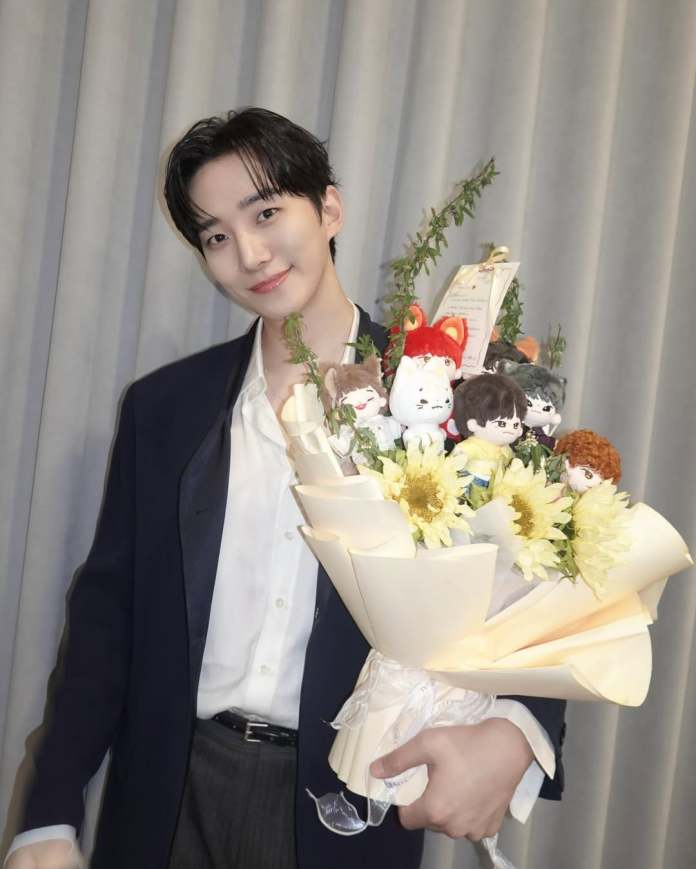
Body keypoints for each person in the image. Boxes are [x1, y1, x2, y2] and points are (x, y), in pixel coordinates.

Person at [5, 108, 566, 869]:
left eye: (267, 212)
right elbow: (109, 616)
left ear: (328, 207)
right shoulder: (164, 409)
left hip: (342, 809)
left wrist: (517, 731)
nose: (250, 253)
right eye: (216, 236)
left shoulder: (453, 396)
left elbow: (538, 584)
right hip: (167, 795)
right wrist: (49, 811)